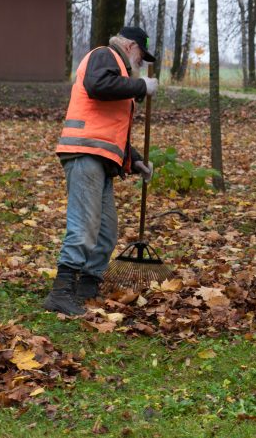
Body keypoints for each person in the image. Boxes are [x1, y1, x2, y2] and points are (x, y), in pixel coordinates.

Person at [43, 26, 159, 316]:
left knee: (106, 231)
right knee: (84, 226)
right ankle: (61, 292)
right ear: (131, 46)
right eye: (142, 57)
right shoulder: (104, 56)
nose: (141, 64)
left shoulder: (118, 71)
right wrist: (141, 86)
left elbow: (111, 128)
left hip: (101, 158)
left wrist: (135, 161)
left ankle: (87, 286)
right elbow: (97, 87)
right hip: (84, 153)